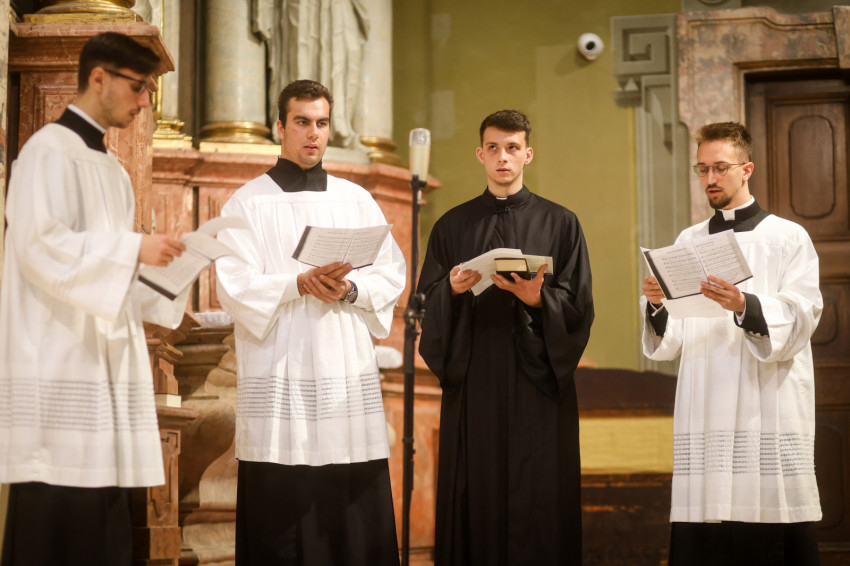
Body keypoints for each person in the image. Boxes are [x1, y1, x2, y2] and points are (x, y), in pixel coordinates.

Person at [0, 32, 188, 566]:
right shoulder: (46, 152)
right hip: (58, 368)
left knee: (104, 532)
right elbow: (39, 245)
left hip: (106, 372)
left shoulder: (115, 172)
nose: (144, 101)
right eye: (138, 86)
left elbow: (112, 270)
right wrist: (132, 249)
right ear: (99, 78)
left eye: (149, 90)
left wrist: (168, 275)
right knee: (54, 532)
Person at [215, 79, 405, 566]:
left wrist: (351, 288)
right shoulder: (248, 202)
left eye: (321, 123)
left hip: (344, 369)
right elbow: (233, 284)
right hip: (281, 366)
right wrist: (296, 284)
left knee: (351, 511)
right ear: (280, 127)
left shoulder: (355, 200)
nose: (313, 133)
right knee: (282, 513)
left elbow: (390, 273)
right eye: (302, 122)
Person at [417, 109, 594, 565]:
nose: (503, 157)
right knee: (476, 493)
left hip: (538, 383)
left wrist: (539, 300)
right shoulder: (451, 226)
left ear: (527, 155)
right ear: (480, 154)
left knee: (539, 496)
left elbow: (579, 307)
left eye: (512, 148)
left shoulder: (561, 223)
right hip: (476, 380)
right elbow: (427, 302)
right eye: (493, 148)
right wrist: (451, 291)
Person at [641, 122, 823, 566]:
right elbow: (674, 338)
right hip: (706, 399)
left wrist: (745, 305)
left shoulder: (787, 237)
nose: (710, 178)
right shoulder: (689, 241)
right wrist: (658, 304)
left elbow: (804, 313)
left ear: (747, 169)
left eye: (720, 168)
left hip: (767, 399)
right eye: (702, 169)